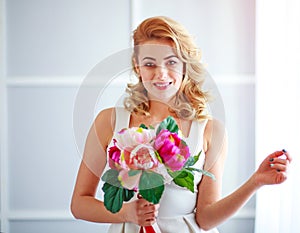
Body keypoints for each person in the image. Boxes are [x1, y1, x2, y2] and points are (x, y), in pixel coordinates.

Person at [70, 16, 292, 233]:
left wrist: (255, 182)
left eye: (171, 62)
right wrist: (125, 213)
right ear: (137, 67)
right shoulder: (108, 121)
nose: (161, 74)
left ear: (185, 66)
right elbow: (79, 204)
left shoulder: (211, 130)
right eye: (149, 64)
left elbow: (205, 219)